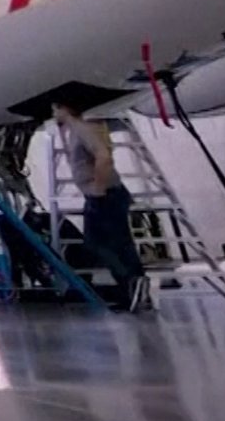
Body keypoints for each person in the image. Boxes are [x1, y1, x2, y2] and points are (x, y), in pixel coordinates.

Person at [53, 99, 151, 311]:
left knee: (101, 244)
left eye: (56, 109)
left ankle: (130, 283)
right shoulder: (75, 131)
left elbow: (103, 156)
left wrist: (98, 187)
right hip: (104, 194)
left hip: (105, 194)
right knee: (118, 243)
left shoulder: (83, 129)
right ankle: (133, 288)